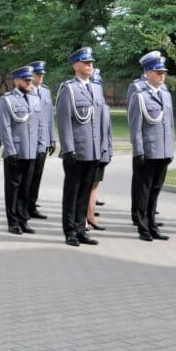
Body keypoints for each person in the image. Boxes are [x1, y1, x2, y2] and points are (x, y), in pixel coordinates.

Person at [56, 47, 105, 247]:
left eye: (91, 62)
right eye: (86, 62)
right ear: (76, 65)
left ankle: (81, 228)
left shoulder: (96, 88)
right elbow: (64, 120)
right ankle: (70, 232)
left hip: (92, 150)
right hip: (77, 150)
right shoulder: (68, 89)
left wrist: (101, 147)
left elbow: (100, 120)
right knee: (73, 192)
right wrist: (68, 149)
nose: (90, 65)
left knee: (85, 192)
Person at [128, 53, 174, 241]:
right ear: (147, 73)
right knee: (144, 190)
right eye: (157, 72)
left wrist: (170, 150)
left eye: (163, 72)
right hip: (148, 151)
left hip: (163, 150)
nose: (162, 75)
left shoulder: (165, 94)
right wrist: (139, 150)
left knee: (155, 190)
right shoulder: (139, 96)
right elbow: (135, 126)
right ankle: (143, 226)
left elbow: (169, 124)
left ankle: (152, 224)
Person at [0, 66, 46, 234]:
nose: (29, 83)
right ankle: (13, 222)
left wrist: (41, 145)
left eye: (30, 80)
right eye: (26, 80)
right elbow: (4, 127)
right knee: (13, 188)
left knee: (26, 187)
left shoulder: (35, 99)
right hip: (16, 151)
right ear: (16, 80)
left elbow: (40, 125)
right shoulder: (7, 99)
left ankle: (23, 219)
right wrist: (10, 150)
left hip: (32, 151)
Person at [27, 61, 56, 220]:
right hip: (30, 140)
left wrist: (52, 139)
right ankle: (23, 206)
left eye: (42, 74)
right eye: (38, 74)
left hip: (43, 140)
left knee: (37, 174)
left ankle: (32, 205)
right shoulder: (26, 91)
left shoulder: (45, 92)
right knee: (28, 175)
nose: (41, 77)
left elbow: (49, 118)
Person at [86, 68, 111, 231]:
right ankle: (84, 218)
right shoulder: (89, 105)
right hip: (88, 151)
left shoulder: (104, 106)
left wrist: (108, 151)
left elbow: (107, 131)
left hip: (100, 151)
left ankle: (91, 216)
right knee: (85, 186)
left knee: (94, 185)